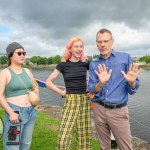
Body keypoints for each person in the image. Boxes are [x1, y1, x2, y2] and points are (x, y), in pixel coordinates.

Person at [87, 28, 141, 150]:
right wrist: (100, 83)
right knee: (104, 147)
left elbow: (132, 89)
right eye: (99, 42)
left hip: (118, 111)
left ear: (112, 41)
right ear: (96, 44)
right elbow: (91, 89)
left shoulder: (125, 58)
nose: (102, 45)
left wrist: (132, 82)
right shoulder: (93, 64)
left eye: (106, 41)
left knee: (125, 147)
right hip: (99, 109)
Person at [46, 37, 91, 150]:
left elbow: (96, 76)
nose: (79, 49)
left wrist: (90, 86)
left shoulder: (86, 63)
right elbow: (48, 82)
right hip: (70, 99)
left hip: (84, 100)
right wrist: (61, 92)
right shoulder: (63, 64)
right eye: (76, 46)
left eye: (81, 46)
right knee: (64, 136)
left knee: (84, 136)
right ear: (70, 49)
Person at [0, 42, 39, 150]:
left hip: (30, 112)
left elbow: (35, 86)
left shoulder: (27, 71)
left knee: (26, 144)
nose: (23, 55)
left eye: (24, 53)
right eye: (19, 53)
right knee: (12, 145)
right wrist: (11, 113)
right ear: (11, 56)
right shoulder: (5, 73)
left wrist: (36, 103)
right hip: (15, 114)